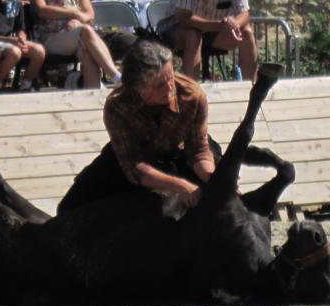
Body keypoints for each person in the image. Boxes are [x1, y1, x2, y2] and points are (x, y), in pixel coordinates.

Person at [57, 39, 217, 215]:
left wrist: (214, 178)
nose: (170, 88)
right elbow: (134, 167)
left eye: (171, 78)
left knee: (216, 193)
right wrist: (179, 185)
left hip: (178, 153)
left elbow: (198, 150)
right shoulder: (117, 106)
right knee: (71, 206)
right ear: (138, 88)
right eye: (160, 85)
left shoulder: (192, 96)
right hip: (134, 158)